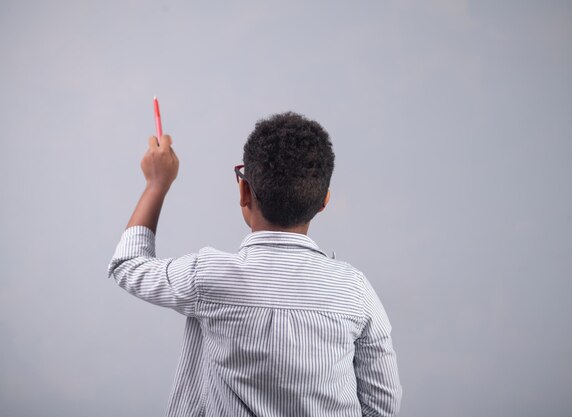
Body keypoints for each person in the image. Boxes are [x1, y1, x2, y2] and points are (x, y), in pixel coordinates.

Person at [107, 112, 402, 416]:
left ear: (244, 192)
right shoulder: (355, 291)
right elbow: (382, 404)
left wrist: (157, 184)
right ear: (323, 201)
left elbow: (128, 264)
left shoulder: (208, 277)